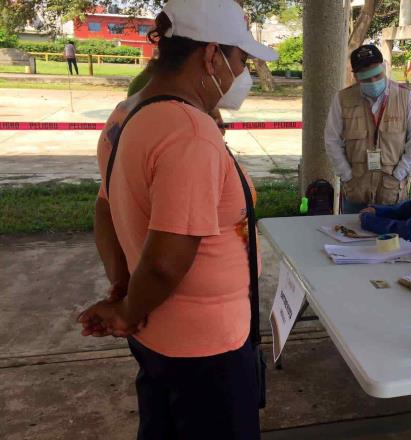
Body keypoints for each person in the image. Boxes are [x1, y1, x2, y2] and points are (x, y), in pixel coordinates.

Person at [77, 0, 277, 438]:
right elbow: (168, 260)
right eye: (239, 60)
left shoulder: (128, 116)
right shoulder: (189, 132)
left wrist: (126, 290)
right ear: (210, 55)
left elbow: (107, 207)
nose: (241, 74)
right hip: (206, 350)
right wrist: (127, 310)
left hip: (161, 337)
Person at [325, 44, 411, 214]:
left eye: (377, 76)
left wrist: (398, 176)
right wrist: (347, 177)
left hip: (392, 193)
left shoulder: (406, 97)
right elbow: (332, 140)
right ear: (356, 77)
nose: (373, 82)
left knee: (391, 239)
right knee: (352, 236)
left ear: (384, 67)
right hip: (356, 190)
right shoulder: (342, 99)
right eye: (365, 79)